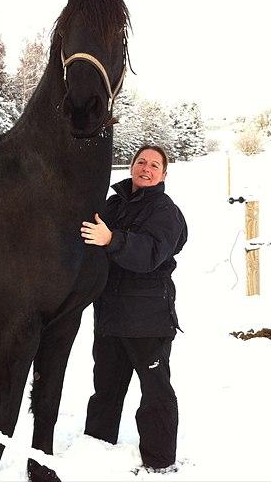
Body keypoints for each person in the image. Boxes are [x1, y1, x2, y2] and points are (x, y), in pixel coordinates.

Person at [80, 144, 188, 470]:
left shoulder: (165, 211)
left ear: (164, 174)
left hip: (148, 319)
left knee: (155, 394)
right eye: (141, 161)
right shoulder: (113, 205)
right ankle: (97, 449)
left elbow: (150, 253)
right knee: (105, 390)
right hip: (110, 315)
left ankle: (159, 463)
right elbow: (85, 235)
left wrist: (112, 239)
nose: (146, 168)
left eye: (154, 165)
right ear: (131, 166)